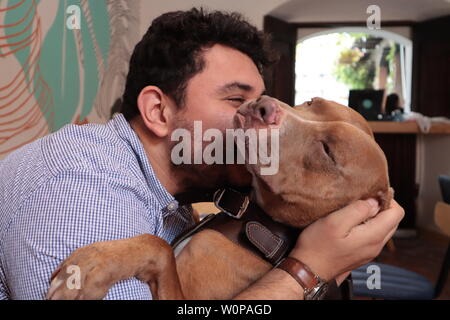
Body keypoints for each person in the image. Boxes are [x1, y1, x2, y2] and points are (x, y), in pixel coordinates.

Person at [0, 8, 404, 300]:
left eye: (260, 99)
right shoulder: (83, 191)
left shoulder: (167, 192)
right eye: (235, 98)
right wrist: (307, 270)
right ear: (159, 111)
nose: (265, 111)